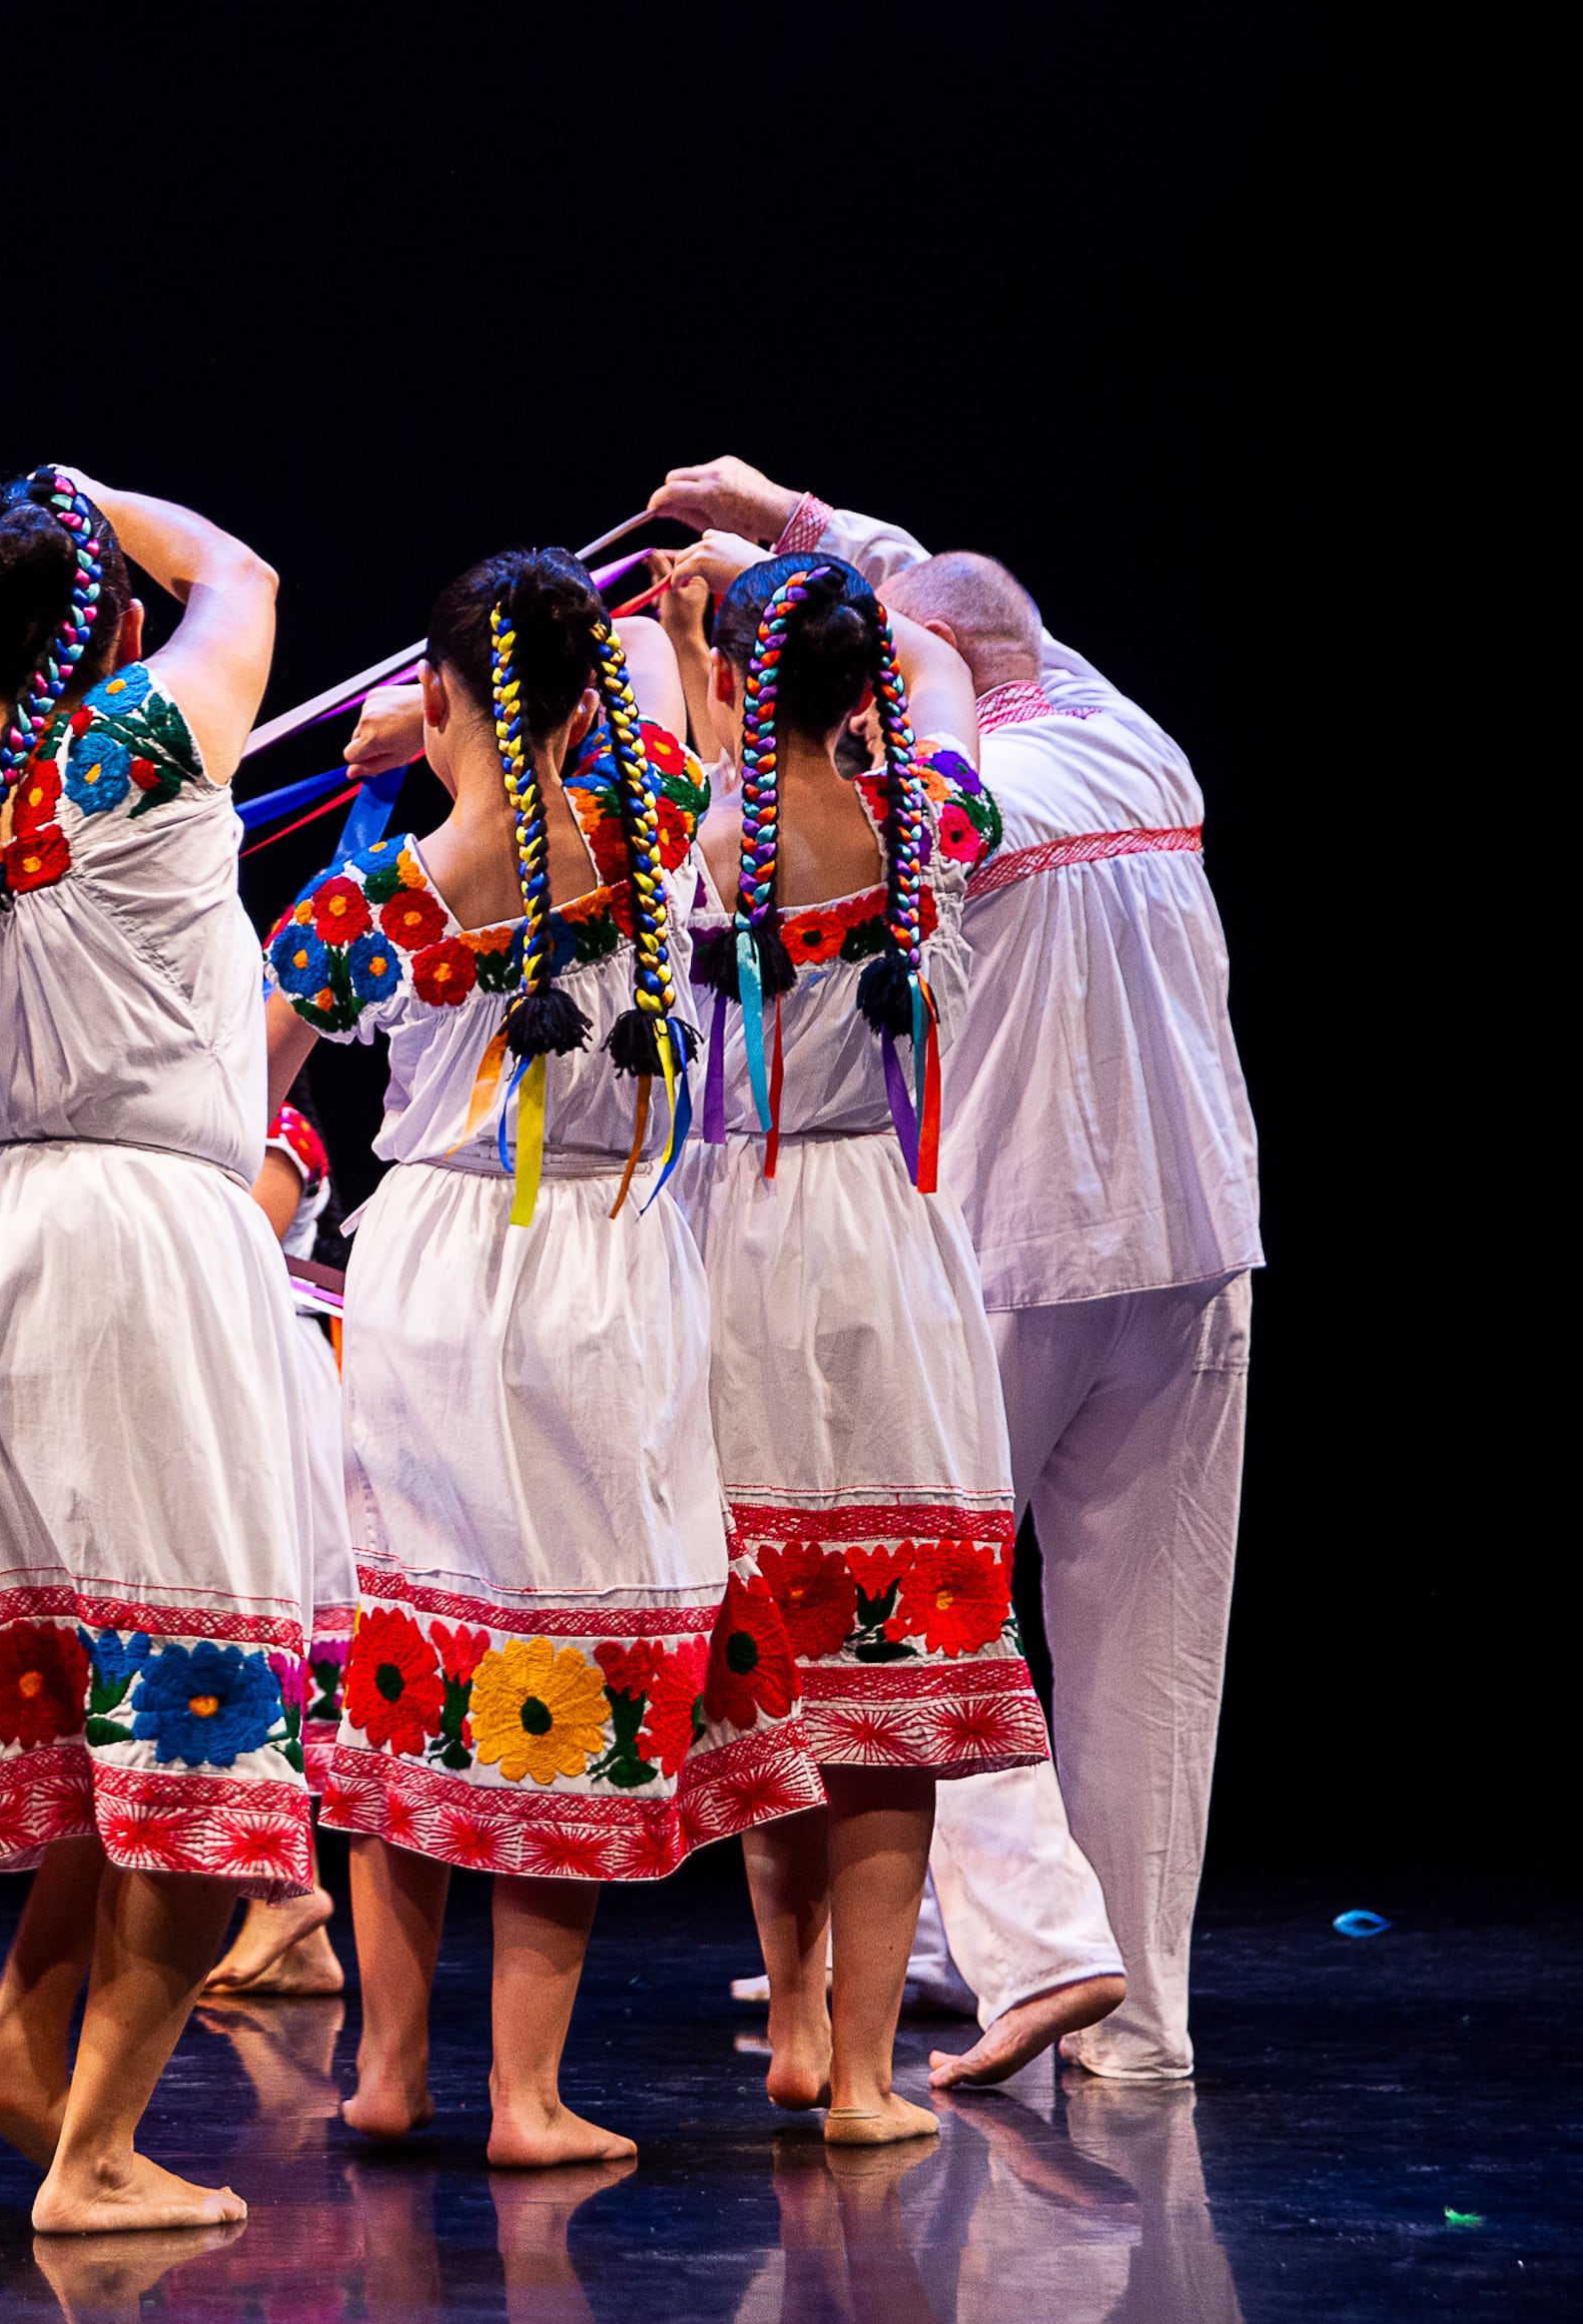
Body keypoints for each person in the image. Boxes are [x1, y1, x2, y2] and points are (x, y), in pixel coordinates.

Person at [655, 456, 1244, 2084]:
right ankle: (1117, 2020)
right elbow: (968, 618)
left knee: (909, 1609)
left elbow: (910, 649)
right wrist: (792, 523)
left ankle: (1031, 1954)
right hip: (1191, 1244)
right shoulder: (1129, 740)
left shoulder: (871, 808)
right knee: (1144, 1657)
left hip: (988, 1245)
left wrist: (765, 577)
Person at [266, 546, 818, 2168]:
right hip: (596, 1280)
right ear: (586, 700)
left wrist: (407, 748)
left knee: (414, 1667)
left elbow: (256, 1074)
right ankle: (524, 2095)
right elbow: (663, 712)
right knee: (556, 1663)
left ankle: (389, 2070)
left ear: (440, 698)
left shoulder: (377, 899)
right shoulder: (652, 832)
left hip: (429, 1281)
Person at [0, 466, 316, 2233]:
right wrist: (105, 491)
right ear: (104, 622)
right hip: (121, 1242)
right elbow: (242, 568)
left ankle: (30, 2040)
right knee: (198, 1706)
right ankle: (93, 2153)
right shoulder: (141, 732)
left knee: (103, 1701)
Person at [682, 550, 1054, 2145]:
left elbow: (702, 730)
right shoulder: (934, 818)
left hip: (730, 1251)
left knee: (777, 1662)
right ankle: (855, 2076)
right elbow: (958, 669)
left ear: (729, 692)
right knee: (884, 1687)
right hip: (881, 1242)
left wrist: (698, 635)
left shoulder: (695, 836)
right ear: (873, 689)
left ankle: (800, 2015)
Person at [200, 1100, 357, 1998]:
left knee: (263, 1617)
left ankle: (284, 1885)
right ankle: (303, 1932)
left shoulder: (273, 1127)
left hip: (268, 1373)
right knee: (252, 1620)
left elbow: (239, 1243)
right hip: (232, 1364)